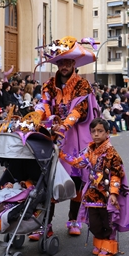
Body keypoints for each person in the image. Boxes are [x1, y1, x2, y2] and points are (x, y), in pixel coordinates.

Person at [32, 36, 100, 238]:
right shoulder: (48, 85)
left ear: (74, 63)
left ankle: (74, 219)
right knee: (48, 179)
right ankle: (45, 223)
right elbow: (43, 104)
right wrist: (37, 116)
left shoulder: (82, 85)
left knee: (76, 179)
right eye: (60, 62)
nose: (63, 66)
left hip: (75, 138)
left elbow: (79, 109)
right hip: (52, 137)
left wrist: (64, 126)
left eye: (67, 62)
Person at [59, 118, 129, 256]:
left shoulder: (112, 153)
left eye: (100, 131)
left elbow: (117, 175)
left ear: (107, 133)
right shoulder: (90, 150)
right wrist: (61, 154)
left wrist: (113, 193)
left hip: (106, 194)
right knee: (94, 222)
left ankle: (109, 246)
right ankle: (99, 243)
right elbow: (78, 162)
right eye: (93, 131)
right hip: (92, 193)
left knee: (107, 221)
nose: (96, 134)